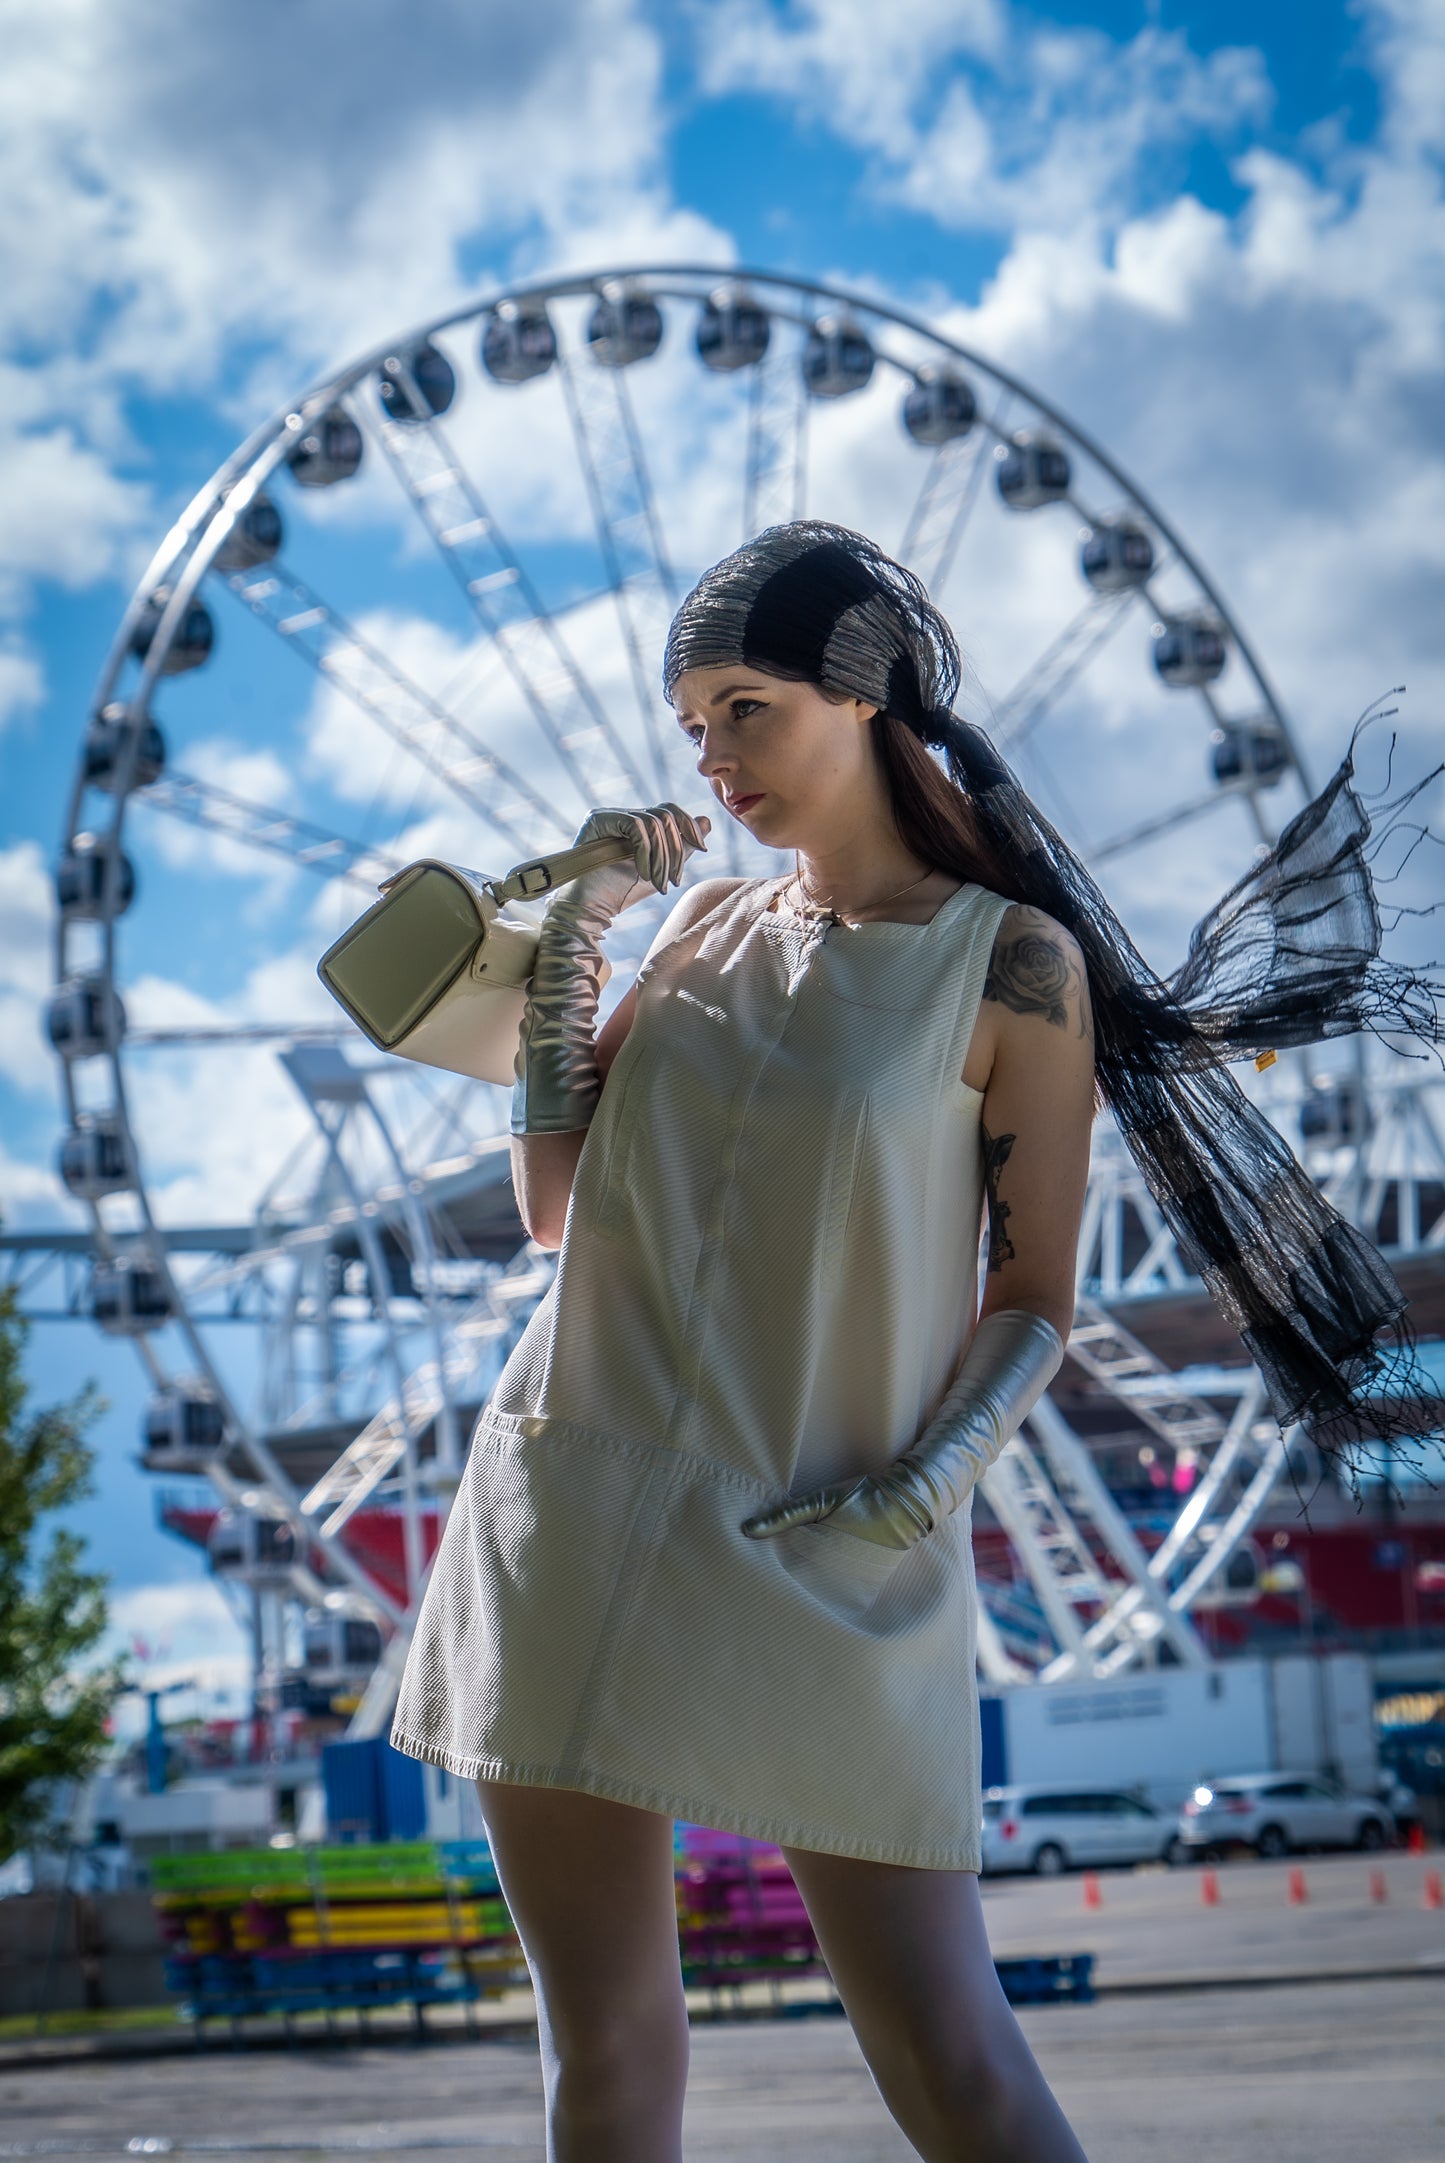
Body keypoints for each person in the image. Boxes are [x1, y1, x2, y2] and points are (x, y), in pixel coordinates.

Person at [392, 521, 1445, 2163]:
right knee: (600, 2053)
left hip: (830, 1537)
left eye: (745, 707)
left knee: (950, 2057)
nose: (712, 758)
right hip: (569, 1511)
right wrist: (574, 939)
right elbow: (552, 1208)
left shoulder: (1013, 964)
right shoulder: (691, 937)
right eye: (691, 727)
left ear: (863, 696)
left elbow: (1032, 1301)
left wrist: (911, 1495)